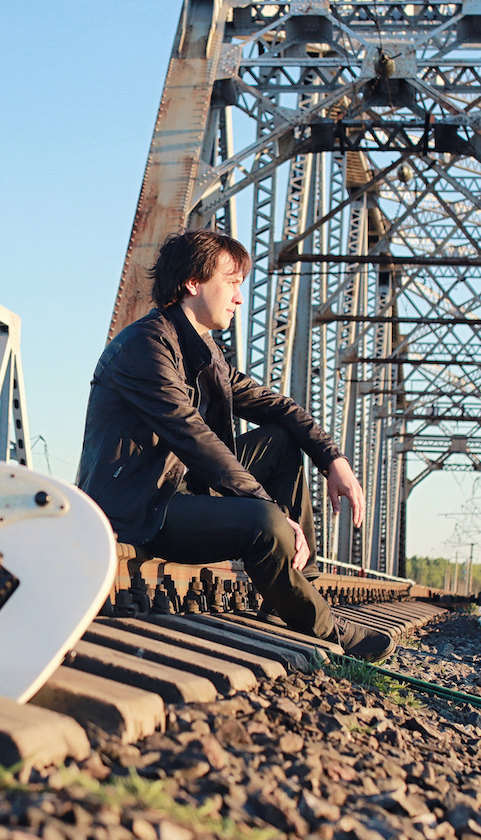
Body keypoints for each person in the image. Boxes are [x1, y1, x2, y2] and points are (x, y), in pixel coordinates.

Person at [78, 229, 395, 661]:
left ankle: (296, 590)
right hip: (142, 504)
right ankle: (327, 630)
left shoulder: (204, 352)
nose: (239, 298)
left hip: (179, 487)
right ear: (193, 282)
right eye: (231, 282)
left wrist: (332, 458)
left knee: (282, 443)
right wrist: (278, 512)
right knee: (264, 523)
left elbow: (278, 407)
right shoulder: (144, 348)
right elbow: (195, 439)